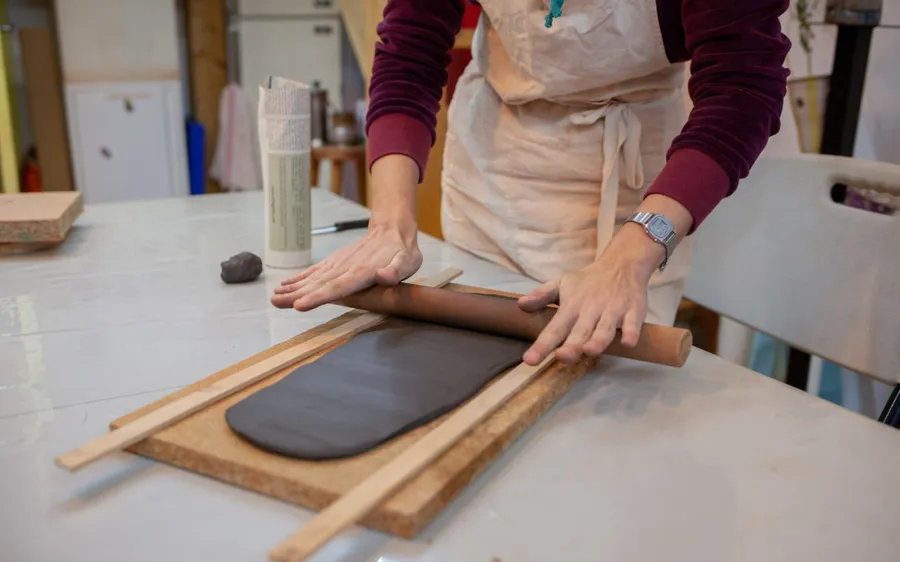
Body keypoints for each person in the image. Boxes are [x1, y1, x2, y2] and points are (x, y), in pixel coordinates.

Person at [272, 0, 791, 366]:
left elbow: (742, 88)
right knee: (464, 364)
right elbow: (408, 54)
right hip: (495, 159)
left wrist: (630, 254)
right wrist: (389, 223)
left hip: (632, 182)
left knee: (604, 392)